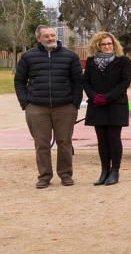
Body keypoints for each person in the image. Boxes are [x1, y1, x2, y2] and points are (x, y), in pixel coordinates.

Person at [14, 25, 84, 189]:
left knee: (64, 142)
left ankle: (66, 174)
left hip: (65, 106)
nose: (51, 38)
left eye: (53, 35)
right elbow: (19, 81)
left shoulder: (70, 56)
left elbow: (78, 81)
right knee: (41, 144)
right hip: (37, 108)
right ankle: (44, 176)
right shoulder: (27, 57)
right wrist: (25, 103)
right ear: (38, 38)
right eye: (46, 36)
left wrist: (75, 103)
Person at [83, 32, 131, 186]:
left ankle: (115, 171)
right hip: (97, 105)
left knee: (114, 139)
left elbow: (124, 82)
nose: (107, 46)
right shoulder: (91, 62)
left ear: (114, 44)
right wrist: (93, 96)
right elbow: (86, 82)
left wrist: (107, 97)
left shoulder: (123, 61)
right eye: (104, 44)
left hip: (116, 104)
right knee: (102, 140)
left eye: (110, 43)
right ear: (98, 45)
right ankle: (104, 171)